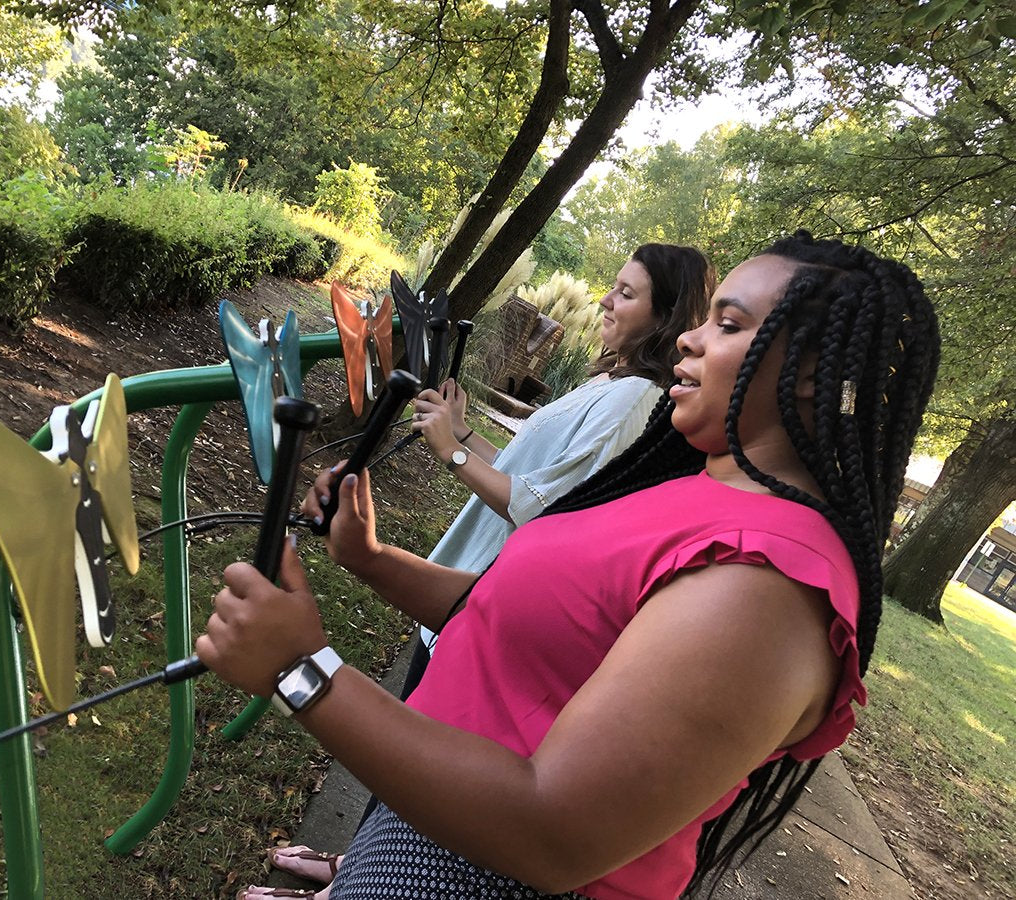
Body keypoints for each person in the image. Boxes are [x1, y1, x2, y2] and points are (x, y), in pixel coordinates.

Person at [196, 231, 939, 900]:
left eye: (730, 324)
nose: (689, 339)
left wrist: (302, 669)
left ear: (811, 371)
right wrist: (370, 558)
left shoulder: (765, 586)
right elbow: (513, 621)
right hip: (429, 823)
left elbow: (552, 836)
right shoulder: (696, 487)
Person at [260, 245, 715, 896]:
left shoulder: (638, 402)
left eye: (626, 293)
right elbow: (537, 471)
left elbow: (551, 510)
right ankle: (349, 870)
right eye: (612, 288)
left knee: (419, 777)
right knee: (405, 782)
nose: (608, 301)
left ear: (667, 316)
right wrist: (463, 434)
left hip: (484, 609)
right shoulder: (608, 384)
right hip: (465, 603)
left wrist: (450, 454)